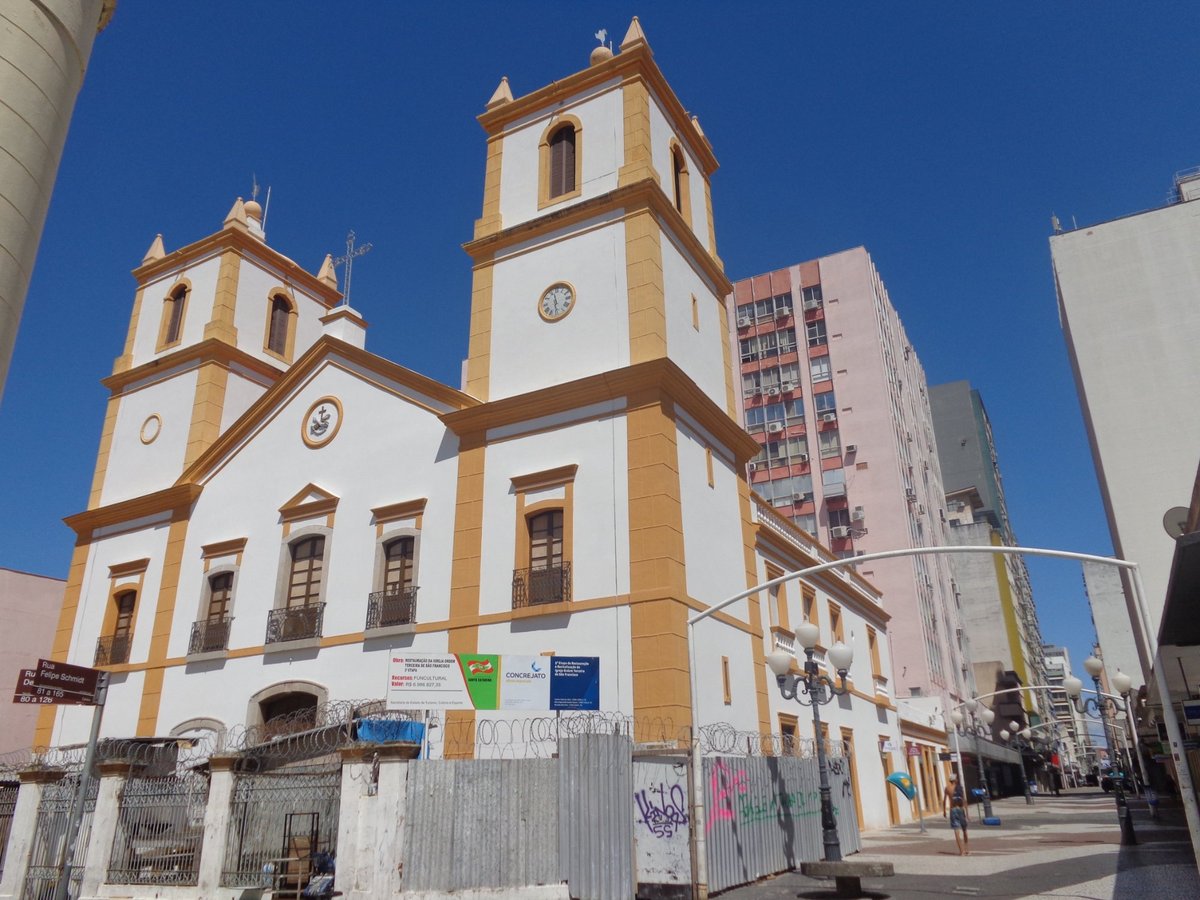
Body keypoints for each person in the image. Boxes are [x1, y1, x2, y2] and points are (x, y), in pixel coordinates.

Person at [943, 772, 969, 855]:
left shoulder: (947, 788)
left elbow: (944, 800)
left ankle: (961, 852)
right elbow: (964, 800)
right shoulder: (959, 788)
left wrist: (944, 811)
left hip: (953, 810)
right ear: (955, 780)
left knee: (956, 831)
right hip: (960, 809)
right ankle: (967, 849)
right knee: (964, 830)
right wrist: (967, 813)